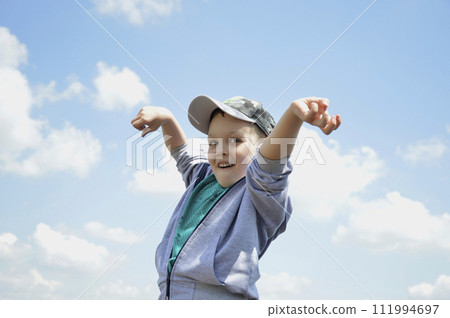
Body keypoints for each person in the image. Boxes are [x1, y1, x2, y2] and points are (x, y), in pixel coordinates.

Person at [131, 95, 341, 299]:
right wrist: (167, 118)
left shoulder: (261, 192)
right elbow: (182, 152)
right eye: (212, 142)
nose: (220, 150)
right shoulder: (202, 177)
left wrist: (294, 115)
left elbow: (271, 164)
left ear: (263, 147)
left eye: (235, 140)